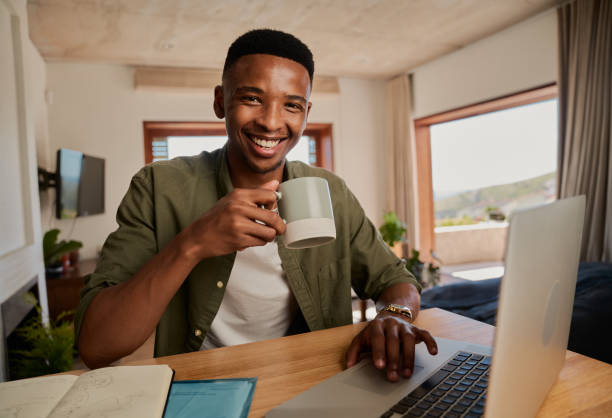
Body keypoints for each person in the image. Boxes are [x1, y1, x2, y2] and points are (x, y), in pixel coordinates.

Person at [76, 29, 437, 382]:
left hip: (314, 378)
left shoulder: (330, 191)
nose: (271, 121)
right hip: (205, 385)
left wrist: (395, 315)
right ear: (220, 101)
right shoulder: (158, 187)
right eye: (252, 98)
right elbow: (98, 346)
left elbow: (396, 281)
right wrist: (192, 244)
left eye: (292, 106)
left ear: (306, 114)